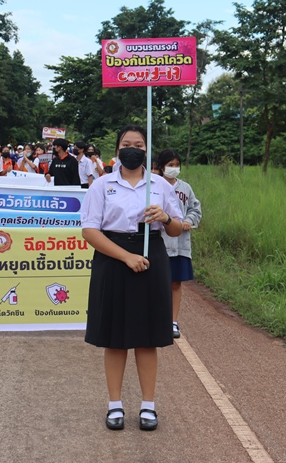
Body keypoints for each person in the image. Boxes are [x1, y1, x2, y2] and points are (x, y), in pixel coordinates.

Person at [80, 125, 183, 432]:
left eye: (139, 145)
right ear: (117, 149)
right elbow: (90, 231)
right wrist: (125, 256)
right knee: (115, 337)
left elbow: (177, 228)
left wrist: (165, 217)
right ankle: (115, 405)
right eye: (127, 143)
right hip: (113, 258)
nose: (133, 149)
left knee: (147, 337)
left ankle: (148, 405)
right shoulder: (102, 185)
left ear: (147, 151)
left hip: (152, 256)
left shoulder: (160, 185)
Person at [156, 149, 202, 339]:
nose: (174, 168)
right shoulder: (154, 186)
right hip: (160, 243)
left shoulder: (185, 188)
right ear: (161, 167)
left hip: (180, 243)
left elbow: (195, 209)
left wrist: (189, 220)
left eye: (177, 165)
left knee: (175, 283)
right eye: (170, 165)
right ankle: (157, 318)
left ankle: (173, 321)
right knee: (157, 283)